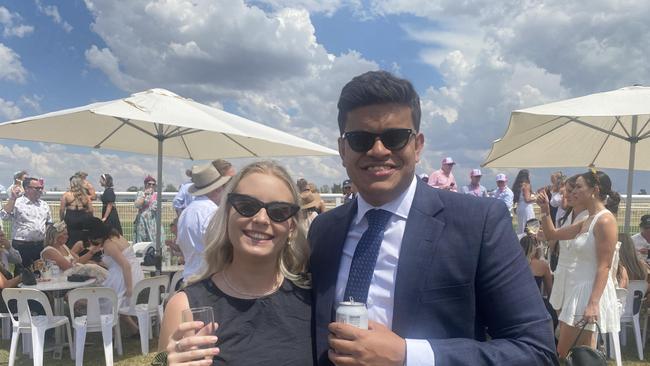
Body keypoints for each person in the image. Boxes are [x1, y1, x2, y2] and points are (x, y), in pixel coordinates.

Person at [309, 70, 557, 365]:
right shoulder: (323, 230)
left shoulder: (477, 223)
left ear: (417, 145)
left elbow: (536, 351)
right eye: (361, 139)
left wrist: (408, 356)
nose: (378, 150)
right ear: (342, 149)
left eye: (395, 137)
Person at [160, 160, 312, 365]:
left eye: (278, 211)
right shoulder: (184, 306)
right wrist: (164, 362)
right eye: (247, 206)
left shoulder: (312, 299)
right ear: (227, 212)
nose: (261, 219)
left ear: (292, 227)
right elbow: (160, 359)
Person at [537, 169, 620, 359]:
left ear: (594, 190)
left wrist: (593, 303)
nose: (573, 191)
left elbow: (604, 266)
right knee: (578, 355)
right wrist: (544, 210)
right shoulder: (588, 220)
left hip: (589, 292)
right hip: (578, 290)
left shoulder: (605, 220)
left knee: (566, 353)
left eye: (579, 187)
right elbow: (552, 235)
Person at [85, 216, 144, 334]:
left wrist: (129, 288)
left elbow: (125, 265)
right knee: (115, 302)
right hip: (132, 272)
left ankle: (109, 331)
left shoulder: (108, 244)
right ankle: (133, 330)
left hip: (125, 275)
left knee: (107, 300)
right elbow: (117, 261)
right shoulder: (116, 236)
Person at [177, 163, 232, 279]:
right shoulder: (213, 212)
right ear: (217, 189)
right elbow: (222, 247)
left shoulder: (185, 213)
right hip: (208, 278)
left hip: (188, 276)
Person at [548, 175, 589, 315]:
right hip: (562, 273)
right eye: (566, 191)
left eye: (572, 190)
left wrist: (545, 213)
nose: (567, 194)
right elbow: (556, 237)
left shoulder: (588, 218)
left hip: (576, 278)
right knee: (561, 323)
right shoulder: (568, 215)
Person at [1, 177, 52, 268]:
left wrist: (47, 240)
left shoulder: (44, 204)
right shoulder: (17, 203)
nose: (40, 190)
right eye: (37, 188)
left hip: (40, 245)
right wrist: (12, 199)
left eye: (41, 188)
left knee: (40, 273)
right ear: (27, 189)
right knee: (22, 274)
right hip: (22, 246)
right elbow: (4, 216)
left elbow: (49, 222)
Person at [60, 176, 94, 248]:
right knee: (82, 236)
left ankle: (70, 252)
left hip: (70, 217)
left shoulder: (66, 195)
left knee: (69, 236)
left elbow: (62, 210)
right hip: (82, 217)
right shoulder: (86, 196)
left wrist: (62, 220)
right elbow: (91, 210)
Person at [133, 175, 163, 243]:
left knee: (154, 240)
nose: (151, 186)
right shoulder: (141, 193)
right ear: (145, 184)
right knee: (142, 240)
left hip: (153, 222)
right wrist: (145, 195)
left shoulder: (156, 195)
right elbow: (137, 205)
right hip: (142, 221)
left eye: (153, 184)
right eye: (149, 184)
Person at [512, 169, 536, 235]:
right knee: (530, 226)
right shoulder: (526, 185)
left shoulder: (517, 185)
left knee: (521, 227)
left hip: (520, 207)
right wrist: (536, 198)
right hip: (526, 208)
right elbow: (527, 199)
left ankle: (521, 241)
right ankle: (528, 242)